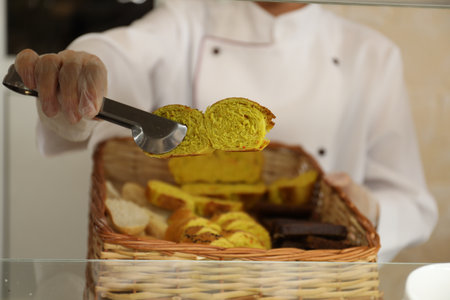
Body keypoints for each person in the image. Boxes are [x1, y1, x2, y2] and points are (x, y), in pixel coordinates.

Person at [13, 0, 437, 262]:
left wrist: (367, 207)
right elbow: (123, 54)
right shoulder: (185, 19)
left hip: (317, 282)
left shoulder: (372, 54)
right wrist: (80, 74)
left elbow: (415, 207)